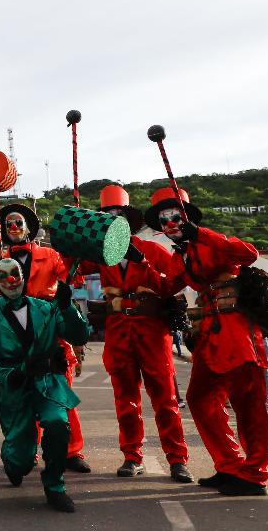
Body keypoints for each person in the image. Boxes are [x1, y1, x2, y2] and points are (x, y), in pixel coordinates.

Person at [144, 187, 268, 496]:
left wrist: (201, 234)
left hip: (238, 330)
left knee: (248, 402)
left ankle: (254, 474)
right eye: (164, 220)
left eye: (175, 217)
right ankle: (228, 464)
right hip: (210, 335)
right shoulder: (177, 256)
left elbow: (249, 253)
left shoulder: (212, 241)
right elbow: (167, 285)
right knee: (200, 398)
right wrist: (138, 260)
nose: (170, 223)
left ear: (187, 218)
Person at [80, 185, 191, 482]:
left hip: (152, 331)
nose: (114, 220)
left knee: (165, 399)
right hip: (118, 332)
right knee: (125, 399)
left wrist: (145, 265)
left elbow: (176, 282)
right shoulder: (101, 254)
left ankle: (178, 459)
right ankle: (132, 456)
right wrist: (78, 237)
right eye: (108, 216)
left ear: (128, 220)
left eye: (119, 215)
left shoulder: (153, 250)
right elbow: (72, 268)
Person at [0, 258, 89, 513]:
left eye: (14, 273)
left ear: (23, 276)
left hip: (48, 382)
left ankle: (55, 486)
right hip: (16, 385)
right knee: (21, 460)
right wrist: (5, 375)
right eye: (2, 276)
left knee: (59, 424)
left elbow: (79, 335)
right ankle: (13, 463)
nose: (10, 280)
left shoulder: (45, 308)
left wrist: (68, 306)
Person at [0, 204, 90, 473]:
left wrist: (74, 254)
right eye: (9, 224)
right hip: (18, 338)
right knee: (25, 398)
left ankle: (72, 451)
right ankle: (29, 451)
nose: (13, 227)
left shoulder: (50, 255)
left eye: (18, 223)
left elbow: (74, 279)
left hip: (50, 332)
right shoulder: (1, 261)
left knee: (61, 395)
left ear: (28, 228)